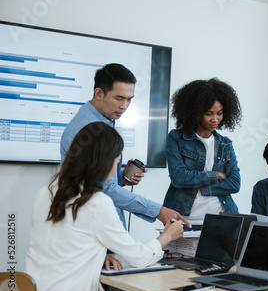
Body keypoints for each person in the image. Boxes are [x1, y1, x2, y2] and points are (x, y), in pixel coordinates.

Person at [26, 122, 184, 291]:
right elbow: (139, 257)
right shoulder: (97, 203)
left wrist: (101, 255)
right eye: (117, 162)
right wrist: (167, 236)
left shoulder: (44, 193)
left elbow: (64, 244)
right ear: (107, 163)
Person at [60, 63, 189, 230]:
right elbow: (105, 190)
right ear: (99, 93)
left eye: (129, 99)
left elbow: (95, 180)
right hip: (92, 228)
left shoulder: (101, 119)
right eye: (119, 98)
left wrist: (119, 177)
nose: (124, 106)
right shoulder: (91, 129)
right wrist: (158, 211)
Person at [162, 78, 242, 228]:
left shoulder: (225, 144)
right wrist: (216, 175)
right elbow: (178, 178)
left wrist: (199, 184)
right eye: (209, 113)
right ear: (196, 112)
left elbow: (234, 183)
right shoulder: (177, 138)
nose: (215, 119)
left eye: (219, 113)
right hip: (183, 219)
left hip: (221, 218)